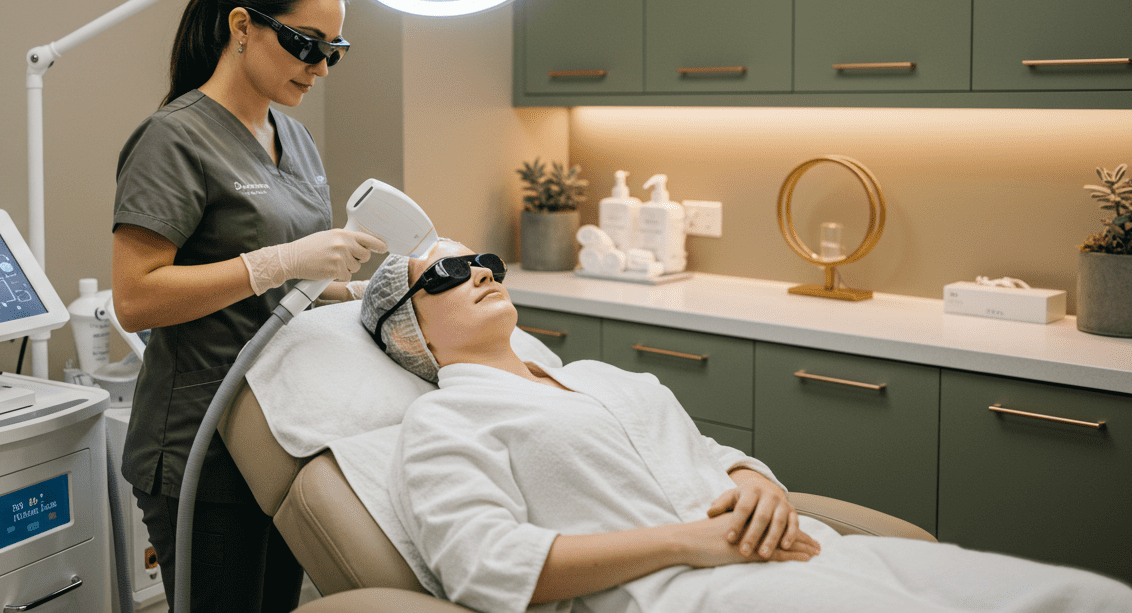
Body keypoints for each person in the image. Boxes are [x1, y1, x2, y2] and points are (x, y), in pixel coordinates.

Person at [360, 241, 1132, 613]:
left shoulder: (604, 377)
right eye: (448, 273)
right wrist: (688, 543)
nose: (482, 272)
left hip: (809, 551)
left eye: (483, 259)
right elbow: (485, 567)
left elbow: (712, 453)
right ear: (410, 333)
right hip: (695, 596)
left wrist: (756, 483)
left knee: (1078, 597)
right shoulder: (444, 422)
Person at [112, 0, 385, 612]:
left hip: (283, 437)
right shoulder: (173, 139)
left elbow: (288, 293)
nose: (319, 68)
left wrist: (365, 290)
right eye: (306, 44)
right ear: (243, 26)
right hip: (201, 448)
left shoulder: (293, 137)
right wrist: (278, 261)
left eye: (333, 51)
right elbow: (137, 297)